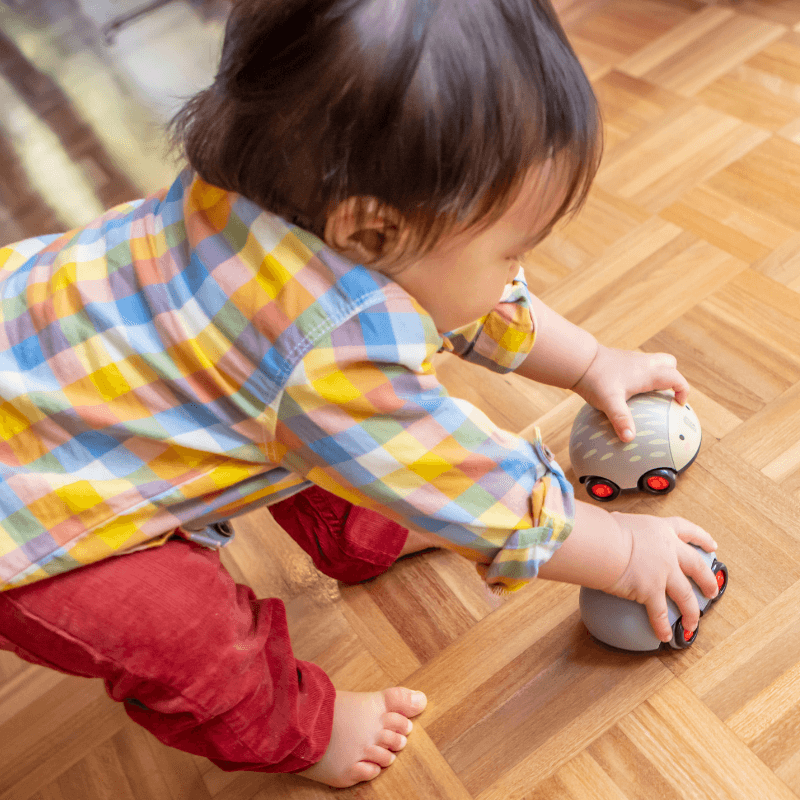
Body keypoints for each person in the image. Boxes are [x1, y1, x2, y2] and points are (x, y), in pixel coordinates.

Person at [0, 0, 720, 789]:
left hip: (54, 379)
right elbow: (484, 492)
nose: (514, 270)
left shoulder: (273, 199)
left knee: (299, 419)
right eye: (510, 248)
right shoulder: (332, 355)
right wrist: (622, 553)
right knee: (185, 631)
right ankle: (298, 728)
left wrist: (590, 362)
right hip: (32, 524)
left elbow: (474, 304)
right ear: (373, 234)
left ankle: (358, 526)